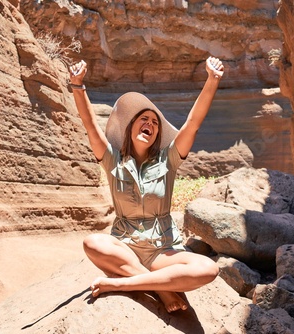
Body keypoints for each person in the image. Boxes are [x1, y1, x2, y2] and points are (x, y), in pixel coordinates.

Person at [68, 56, 224, 313]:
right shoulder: (111, 160)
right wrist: (77, 86)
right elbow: (90, 124)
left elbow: (193, 123)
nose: (150, 124)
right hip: (125, 248)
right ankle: (162, 289)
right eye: (144, 119)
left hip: (162, 251)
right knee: (93, 243)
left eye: (155, 122)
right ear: (129, 127)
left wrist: (212, 79)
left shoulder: (169, 159)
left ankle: (120, 284)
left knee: (209, 268)